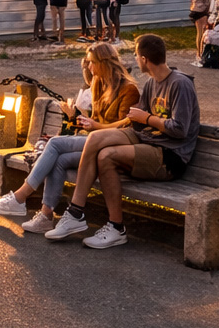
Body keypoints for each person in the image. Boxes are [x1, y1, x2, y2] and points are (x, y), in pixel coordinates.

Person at [44, 33, 199, 249]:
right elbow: (136, 120)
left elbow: (180, 129)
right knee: (96, 138)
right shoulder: (152, 83)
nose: (134, 59)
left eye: (136, 55)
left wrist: (146, 118)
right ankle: (75, 213)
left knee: (106, 156)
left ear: (144, 59)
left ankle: (116, 227)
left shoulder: (180, 84)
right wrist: (125, 119)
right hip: (146, 138)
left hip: (169, 154)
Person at [0, 42, 141, 233]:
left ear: (104, 62)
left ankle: (19, 197)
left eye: (92, 62)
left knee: (54, 144)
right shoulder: (99, 83)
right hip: (93, 142)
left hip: (111, 147)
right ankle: (45, 216)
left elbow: (125, 128)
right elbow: (95, 120)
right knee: (59, 160)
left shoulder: (128, 89)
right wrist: (75, 116)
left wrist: (95, 126)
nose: (89, 67)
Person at [188, 0, 212, 66]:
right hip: (202, 11)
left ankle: (198, 53)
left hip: (194, 11)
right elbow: (207, 1)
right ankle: (201, 52)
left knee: (198, 33)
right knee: (203, 33)